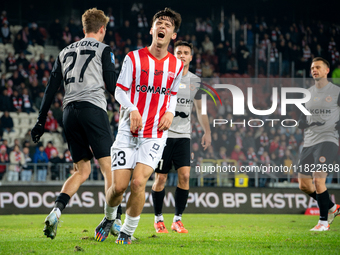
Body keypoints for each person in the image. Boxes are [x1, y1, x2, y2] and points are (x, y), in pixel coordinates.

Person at [94, 8, 183, 244]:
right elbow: (120, 90)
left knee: (138, 182)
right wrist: (133, 109)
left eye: (168, 25)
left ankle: (127, 232)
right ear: (152, 29)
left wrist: (171, 112)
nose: (163, 27)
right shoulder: (134, 58)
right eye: (159, 23)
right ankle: (109, 217)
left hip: (155, 134)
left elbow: (172, 94)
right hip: (128, 130)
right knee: (118, 187)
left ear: (173, 34)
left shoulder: (176, 65)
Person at [31, 8, 117, 239]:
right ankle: (114, 219)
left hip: (68, 112)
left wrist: (41, 121)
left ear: (83, 29)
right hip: (93, 110)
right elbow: (111, 85)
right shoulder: (104, 49)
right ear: (102, 29)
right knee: (108, 166)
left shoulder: (65, 51)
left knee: (82, 170)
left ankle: (56, 211)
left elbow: (51, 89)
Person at [151, 40, 211, 234]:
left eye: (186, 52)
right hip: (163, 135)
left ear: (191, 57)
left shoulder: (196, 81)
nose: (182, 55)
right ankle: (158, 219)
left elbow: (201, 110)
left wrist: (207, 131)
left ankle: (177, 220)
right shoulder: (164, 77)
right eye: (179, 52)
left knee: (185, 175)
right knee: (160, 178)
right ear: (173, 54)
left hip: (184, 136)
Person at [297, 57, 340, 231]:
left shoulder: (336, 92)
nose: (314, 70)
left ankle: (323, 223)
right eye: (312, 67)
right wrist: (304, 122)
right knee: (304, 185)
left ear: (326, 71)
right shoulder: (308, 93)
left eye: (318, 67)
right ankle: (331, 207)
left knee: (318, 179)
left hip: (328, 140)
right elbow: (302, 119)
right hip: (309, 143)